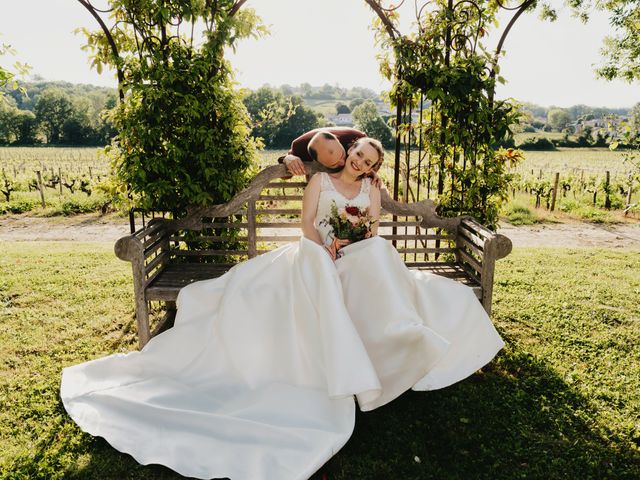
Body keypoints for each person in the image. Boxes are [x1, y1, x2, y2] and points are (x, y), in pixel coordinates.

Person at [60, 137, 504, 480]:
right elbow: (307, 225)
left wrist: (353, 236)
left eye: (370, 162)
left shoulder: (371, 188)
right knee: (324, 264)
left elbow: (371, 226)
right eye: (359, 156)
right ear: (349, 151)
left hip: (354, 253)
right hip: (314, 252)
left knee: (379, 254)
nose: (362, 164)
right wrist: (328, 243)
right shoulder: (319, 180)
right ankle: (362, 358)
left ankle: (402, 335)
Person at [279, 127, 365, 175]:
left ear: (338, 140)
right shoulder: (300, 147)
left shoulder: (359, 141)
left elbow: (375, 160)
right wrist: (287, 158)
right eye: (334, 164)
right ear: (317, 160)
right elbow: (284, 176)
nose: (343, 162)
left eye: (342, 155)